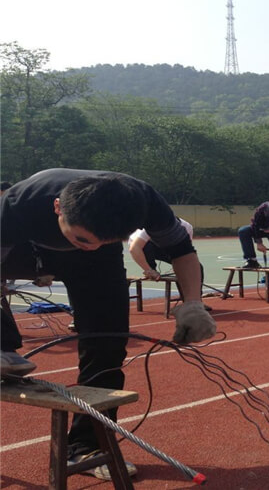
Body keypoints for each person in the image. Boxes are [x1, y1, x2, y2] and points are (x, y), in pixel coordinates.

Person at [0, 168, 215, 478]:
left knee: (108, 343)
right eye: (84, 239)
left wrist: (193, 305)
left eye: (107, 240)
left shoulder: (141, 202)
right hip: (24, 247)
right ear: (58, 206)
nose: (91, 245)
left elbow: (183, 251)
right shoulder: (20, 205)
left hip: (93, 265)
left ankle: (86, 446)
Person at [128, 218, 212, 311]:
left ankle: (195, 301)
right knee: (148, 247)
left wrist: (180, 266)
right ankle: (152, 269)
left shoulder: (186, 227)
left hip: (168, 246)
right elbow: (134, 249)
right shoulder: (149, 227)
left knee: (198, 267)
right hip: (143, 247)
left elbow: (187, 253)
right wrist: (148, 270)